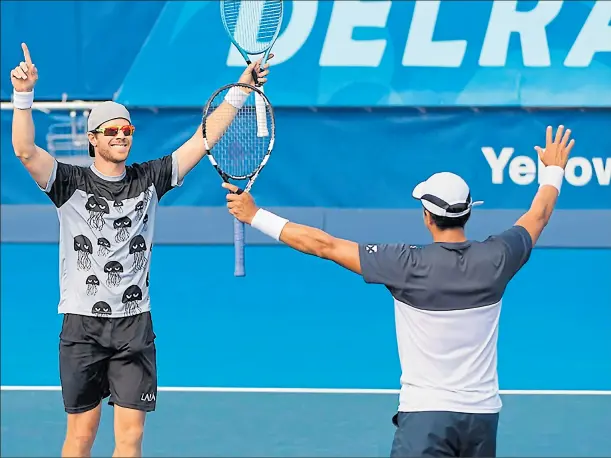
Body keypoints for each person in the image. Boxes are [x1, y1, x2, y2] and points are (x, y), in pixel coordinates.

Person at [222, 125, 575, 457]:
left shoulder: (404, 264)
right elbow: (539, 214)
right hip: (482, 420)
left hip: (425, 420)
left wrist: (255, 215)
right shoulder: (498, 257)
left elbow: (323, 245)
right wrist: (552, 172)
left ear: (427, 217)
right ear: (468, 213)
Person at [10, 42, 271, 457]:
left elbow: (202, 141)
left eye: (126, 131)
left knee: (130, 438)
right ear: (92, 139)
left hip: (134, 325)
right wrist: (23, 96)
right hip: (82, 326)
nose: (120, 137)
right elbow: (25, 150)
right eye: (111, 131)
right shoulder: (67, 183)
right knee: (81, 437)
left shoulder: (151, 179)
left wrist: (239, 90)